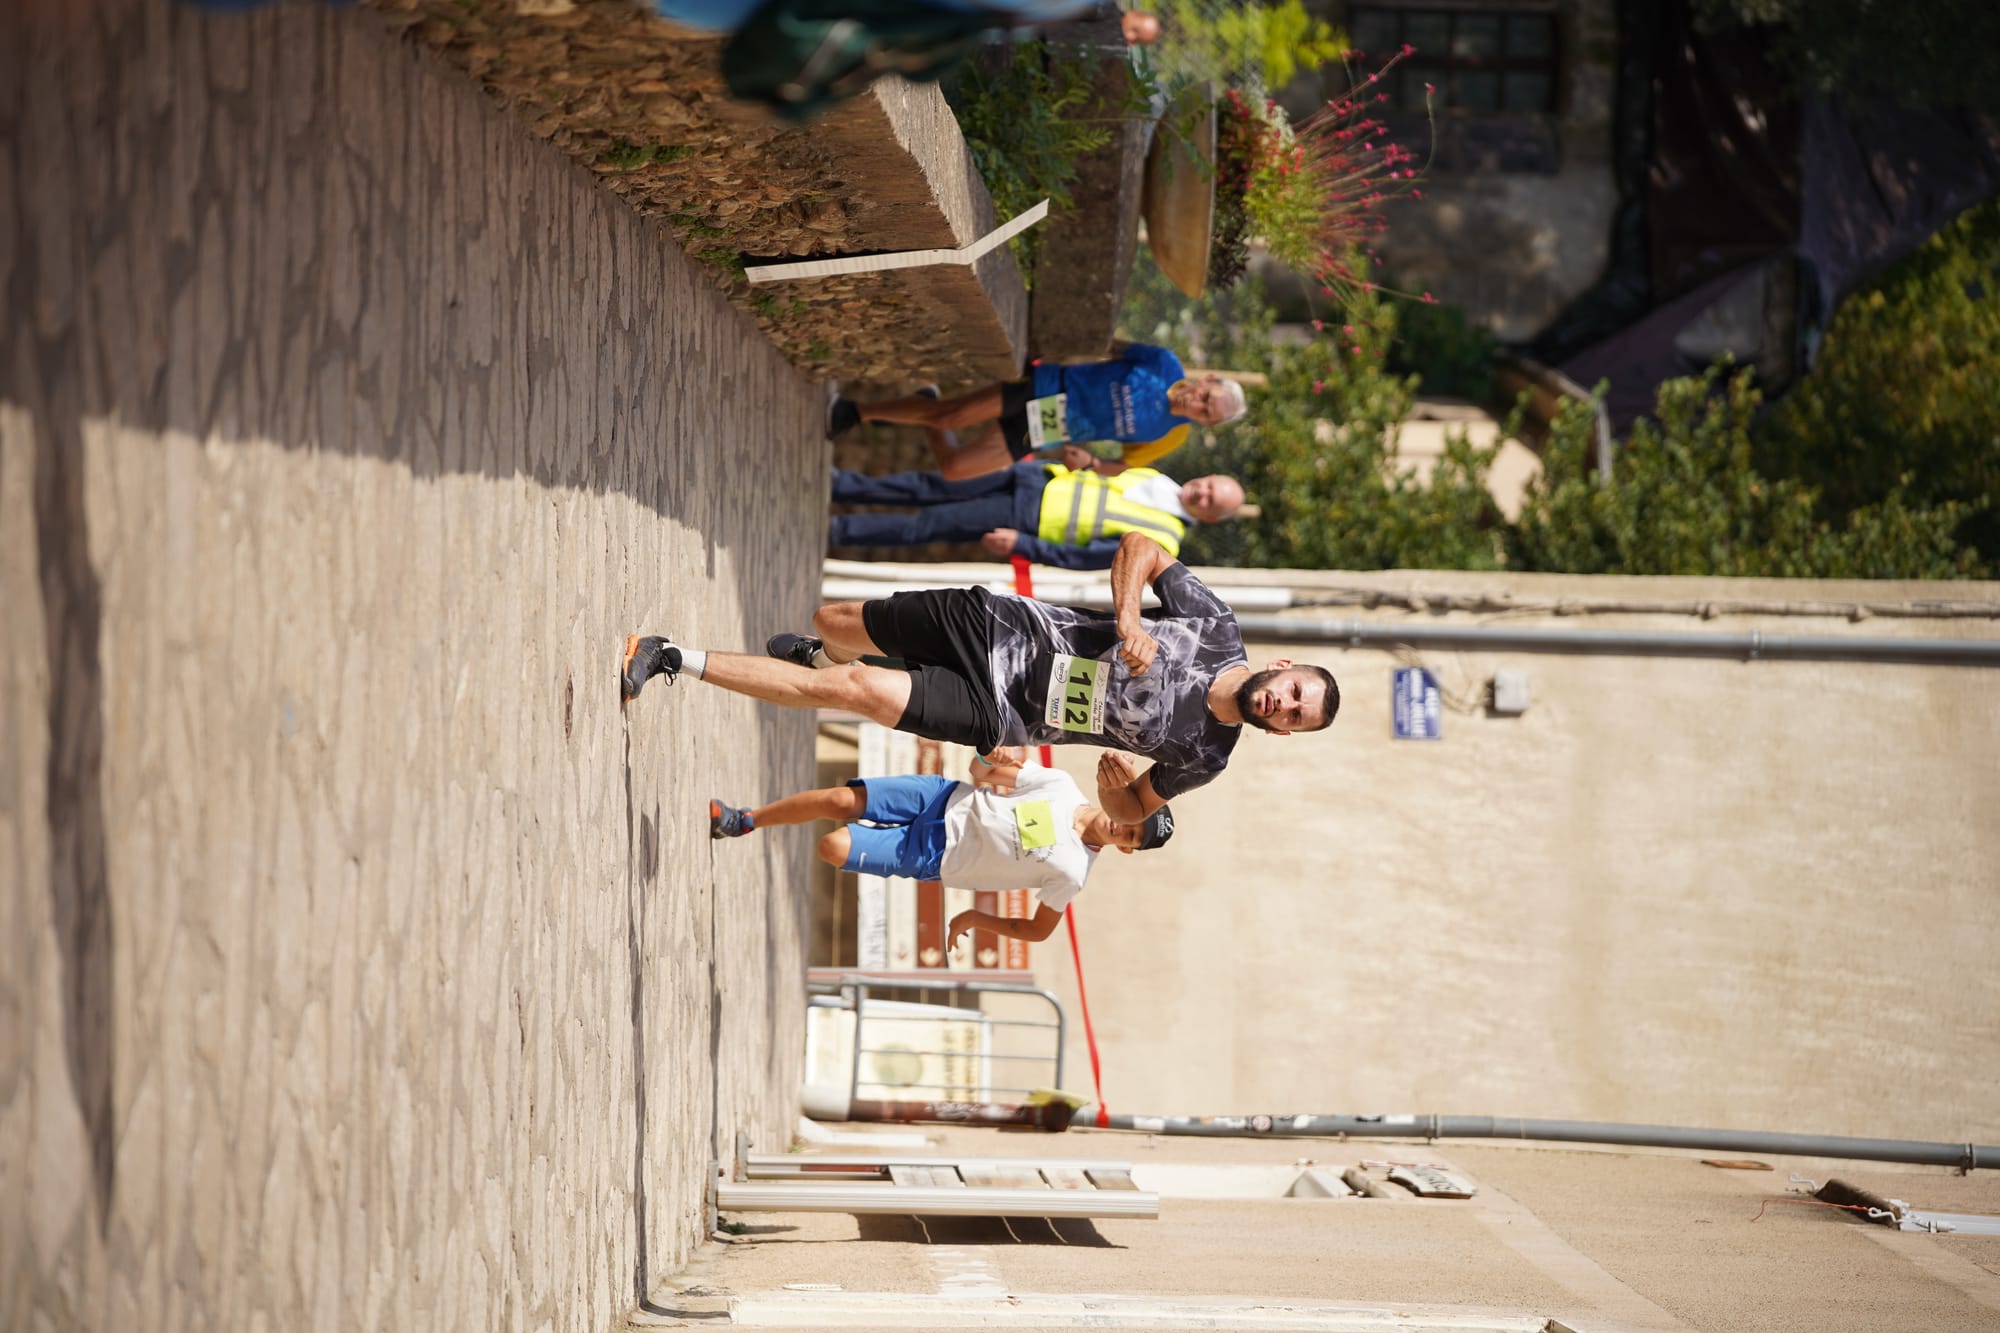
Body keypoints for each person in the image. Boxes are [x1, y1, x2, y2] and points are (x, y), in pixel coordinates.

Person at [620, 530, 1339, 817]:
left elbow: (1133, 812)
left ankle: (669, 653)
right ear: (1284, 666)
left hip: (1004, 712)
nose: (1284, 704)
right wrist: (1126, 620)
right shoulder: (1215, 626)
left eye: (1293, 716)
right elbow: (1142, 548)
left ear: (1282, 731)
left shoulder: (1205, 755)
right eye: (1296, 690)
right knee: (834, 620)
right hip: (1001, 625)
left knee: (855, 692)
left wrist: (1112, 794)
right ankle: (821, 648)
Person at [708, 753, 1173, 946]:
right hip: (939, 798)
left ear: (1127, 849)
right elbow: (980, 769)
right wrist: (995, 756)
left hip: (936, 857)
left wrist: (975, 918)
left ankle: (757, 822)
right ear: (1127, 797)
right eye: (1132, 820)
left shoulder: (1073, 873)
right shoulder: (1060, 784)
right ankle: (745, 820)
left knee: (833, 845)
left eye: (1131, 836)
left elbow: (1037, 930)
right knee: (839, 800)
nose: (1123, 828)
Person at [829, 342, 1249, 479]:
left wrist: (1091, 461)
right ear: (1206, 380)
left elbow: (1122, 466)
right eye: (1205, 398)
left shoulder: (1170, 434)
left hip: (1051, 428)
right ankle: (857, 410)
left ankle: (925, 402)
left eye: (1205, 414)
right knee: (950, 418)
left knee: (956, 468)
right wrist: (1048, 348)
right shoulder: (1161, 362)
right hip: (1046, 386)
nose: (1197, 406)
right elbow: (1104, 344)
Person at [828, 460, 1245, 569]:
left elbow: (1082, 558)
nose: (1202, 493)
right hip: (1034, 479)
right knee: (932, 484)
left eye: (1211, 501)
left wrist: (1023, 545)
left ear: (1209, 519)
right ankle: (843, 485)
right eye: (1209, 485)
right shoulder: (1160, 477)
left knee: (929, 524)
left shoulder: (1163, 541)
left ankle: (840, 531)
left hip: (1029, 516)